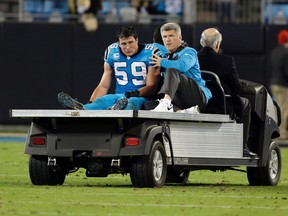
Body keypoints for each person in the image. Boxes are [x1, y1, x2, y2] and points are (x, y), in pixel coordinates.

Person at [58, 25, 160, 110]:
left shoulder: (150, 52)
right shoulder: (112, 52)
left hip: (142, 97)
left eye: (130, 42)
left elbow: (151, 87)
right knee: (104, 100)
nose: (128, 47)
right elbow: (103, 86)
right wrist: (91, 102)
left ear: (136, 40)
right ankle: (84, 109)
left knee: (131, 102)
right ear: (118, 44)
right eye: (123, 44)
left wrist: (134, 93)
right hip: (121, 96)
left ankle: (113, 110)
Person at [197, 27, 256, 157]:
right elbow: (236, 88)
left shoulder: (192, 59)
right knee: (246, 104)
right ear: (217, 44)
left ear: (202, 42)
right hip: (221, 107)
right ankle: (242, 147)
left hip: (197, 106)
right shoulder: (227, 61)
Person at [149, 22, 212, 113]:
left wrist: (162, 62)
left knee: (172, 71)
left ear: (180, 37)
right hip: (178, 99)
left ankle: (166, 104)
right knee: (147, 104)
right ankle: (182, 111)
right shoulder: (165, 56)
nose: (167, 40)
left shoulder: (189, 52)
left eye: (171, 36)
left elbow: (182, 66)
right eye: (164, 37)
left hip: (197, 97)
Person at [270, 29, 288, 140]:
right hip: (283, 85)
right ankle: (282, 134)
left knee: (278, 109)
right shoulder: (286, 52)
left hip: (274, 83)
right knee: (284, 110)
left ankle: (277, 131)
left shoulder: (274, 51)